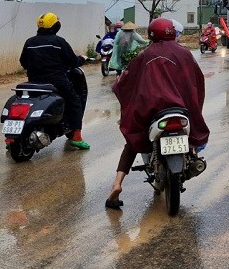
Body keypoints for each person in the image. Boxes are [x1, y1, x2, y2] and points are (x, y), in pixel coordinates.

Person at [105, 18, 210, 209]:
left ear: (152, 34)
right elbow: (198, 82)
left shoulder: (145, 55)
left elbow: (126, 83)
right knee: (192, 130)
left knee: (132, 140)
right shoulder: (185, 54)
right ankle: (192, 156)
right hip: (180, 111)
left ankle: (117, 184)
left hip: (151, 112)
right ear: (171, 32)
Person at [19, 12, 90, 149]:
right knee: (75, 102)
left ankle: (12, 138)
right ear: (55, 25)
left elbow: (23, 62)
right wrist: (82, 58)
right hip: (56, 80)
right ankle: (76, 136)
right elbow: (73, 61)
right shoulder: (58, 42)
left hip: (34, 81)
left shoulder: (30, 42)